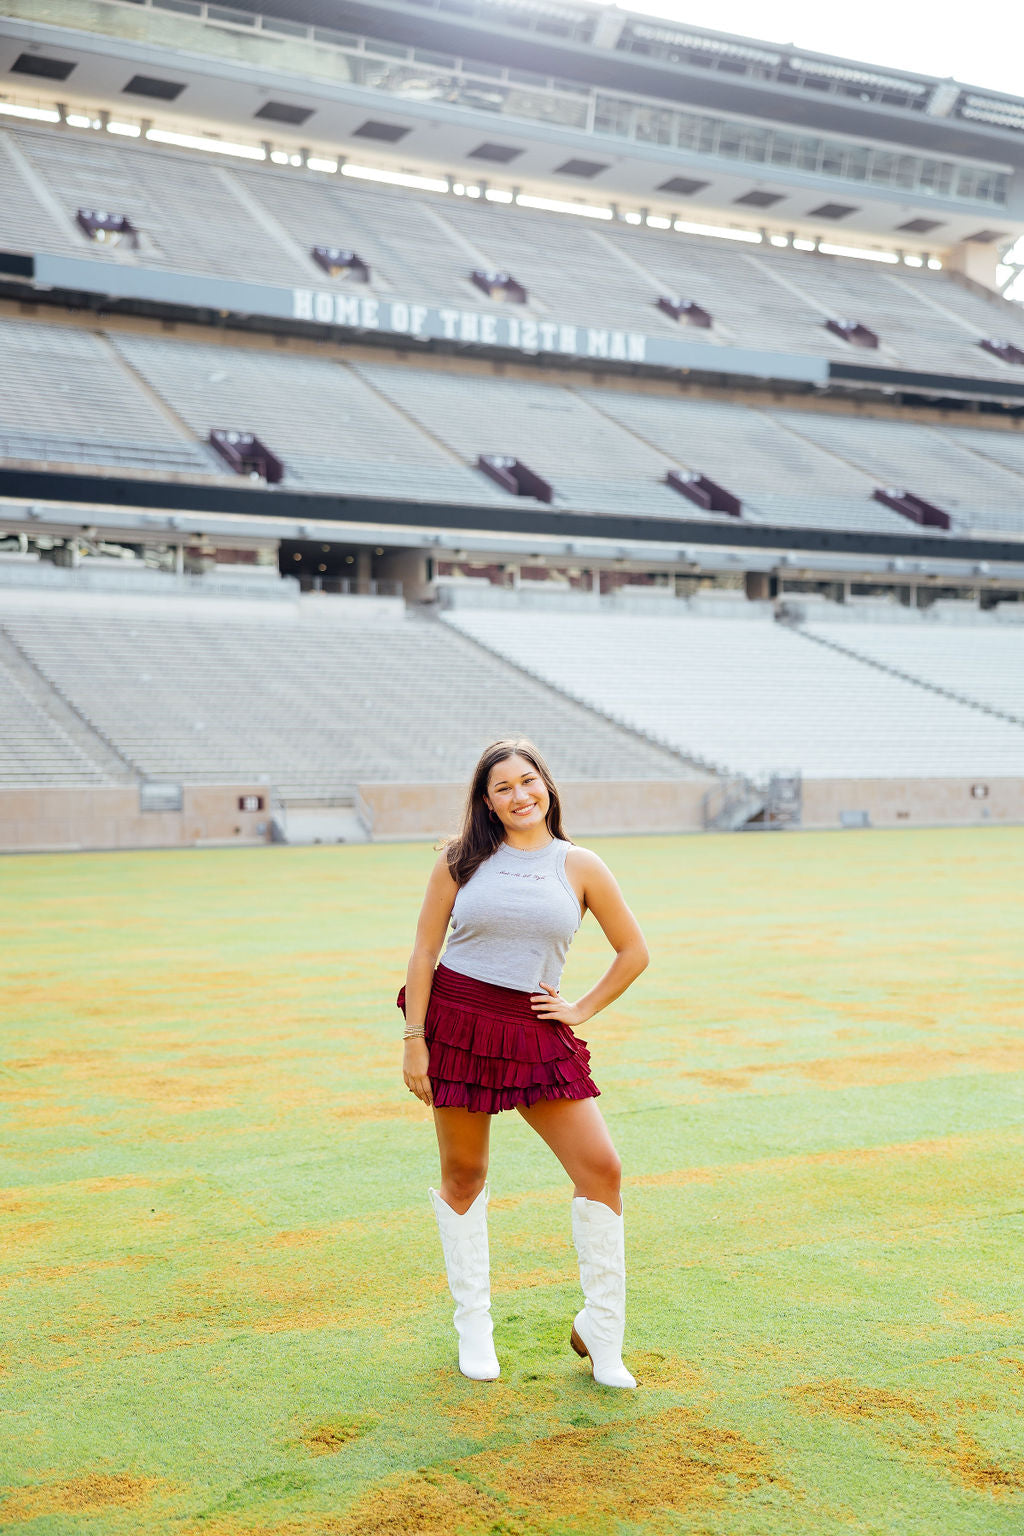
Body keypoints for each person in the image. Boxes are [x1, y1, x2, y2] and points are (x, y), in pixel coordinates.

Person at [399, 737, 649, 1388]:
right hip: (456, 1023)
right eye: (503, 787)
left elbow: (633, 952)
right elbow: (424, 953)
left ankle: (603, 1331)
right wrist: (414, 1038)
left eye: (528, 781)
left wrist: (582, 1008)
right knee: (464, 1172)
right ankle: (474, 1327)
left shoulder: (581, 865)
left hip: (534, 1031)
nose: (519, 795)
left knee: (602, 1167)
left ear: (547, 786)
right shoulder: (460, 862)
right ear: (486, 801)